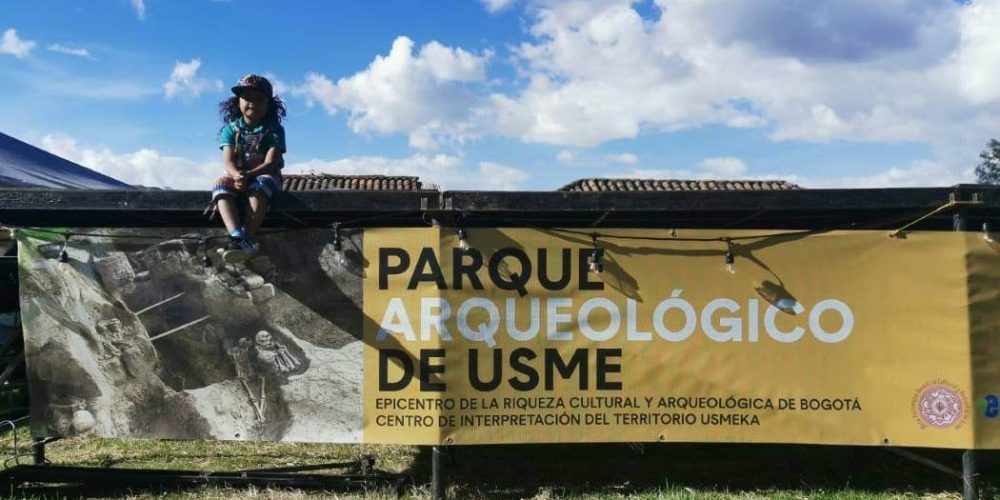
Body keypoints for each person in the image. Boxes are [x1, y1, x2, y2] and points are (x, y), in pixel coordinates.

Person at [210, 74, 287, 263]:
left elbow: (271, 162)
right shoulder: (230, 130)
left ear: (269, 104)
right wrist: (236, 176)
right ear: (238, 102)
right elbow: (228, 161)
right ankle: (236, 235)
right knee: (220, 184)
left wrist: (249, 175)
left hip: (266, 176)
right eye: (247, 98)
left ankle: (248, 237)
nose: (253, 103)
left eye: (259, 99)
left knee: (261, 185)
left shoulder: (274, 129)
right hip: (239, 176)